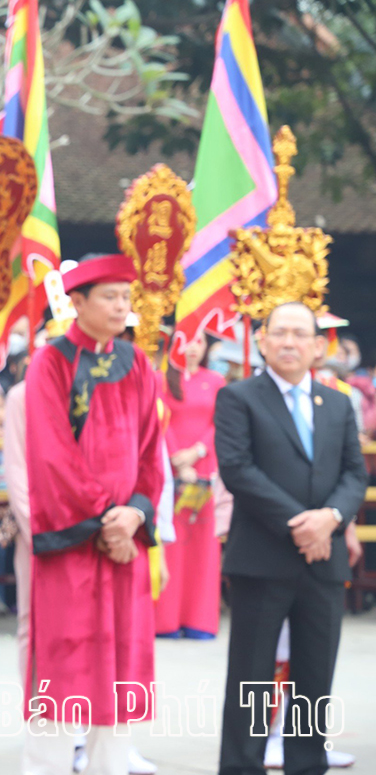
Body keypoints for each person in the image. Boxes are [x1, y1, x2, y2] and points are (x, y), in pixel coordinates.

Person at [22, 254, 163, 775]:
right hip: (75, 542)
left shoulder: (139, 363)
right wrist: (107, 520)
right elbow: (52, 455)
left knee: (121, 665)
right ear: (76, 302)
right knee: (64, 666)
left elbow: (153, 450)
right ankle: (47, 767)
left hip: (124, 536)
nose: (121, 307)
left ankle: (112, 766)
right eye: (110, 297)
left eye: (126, 298)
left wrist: (136, 514)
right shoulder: (51, 362)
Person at [215, 301, 367, 775]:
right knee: (253, 679)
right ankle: (242, 767)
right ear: (262, 341)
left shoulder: (337, 403)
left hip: (324, 561)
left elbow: (354, 473)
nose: (289, 342)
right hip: (262, 558)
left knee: (314, 678)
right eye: (279, 332)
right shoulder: (239, 398)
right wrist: (305, 524)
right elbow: (239, 471)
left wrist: (332, 518)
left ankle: (306, 765)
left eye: (300, 334)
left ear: (318, 346)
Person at [156, 329, 226, 639]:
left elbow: (220, 423)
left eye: (198, 341)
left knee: (203, 547)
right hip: (169, 473)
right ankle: (166, 621)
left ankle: (199, 620)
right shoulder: (160, 380)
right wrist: (175, 459)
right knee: (171, 544)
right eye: (184, 342)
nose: (192, 349)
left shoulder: (216, 380)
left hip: (205, 469)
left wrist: (197, 453)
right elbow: (157, 419)